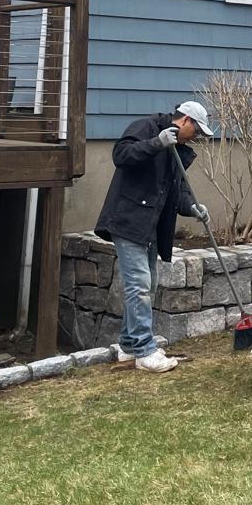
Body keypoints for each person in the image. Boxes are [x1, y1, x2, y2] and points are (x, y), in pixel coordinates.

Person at [95, 100, 214, 373]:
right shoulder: (147, 127)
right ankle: (144, 351)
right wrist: (156, 143)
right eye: (196, 130)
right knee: (139, 285)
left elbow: (176, 191)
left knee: (148, 285)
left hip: (149, 226)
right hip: (128, 219)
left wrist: (192, 207)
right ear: (185, 120)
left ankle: (129, 346)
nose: (196, 136)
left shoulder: (178, 149)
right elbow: (121, 155)